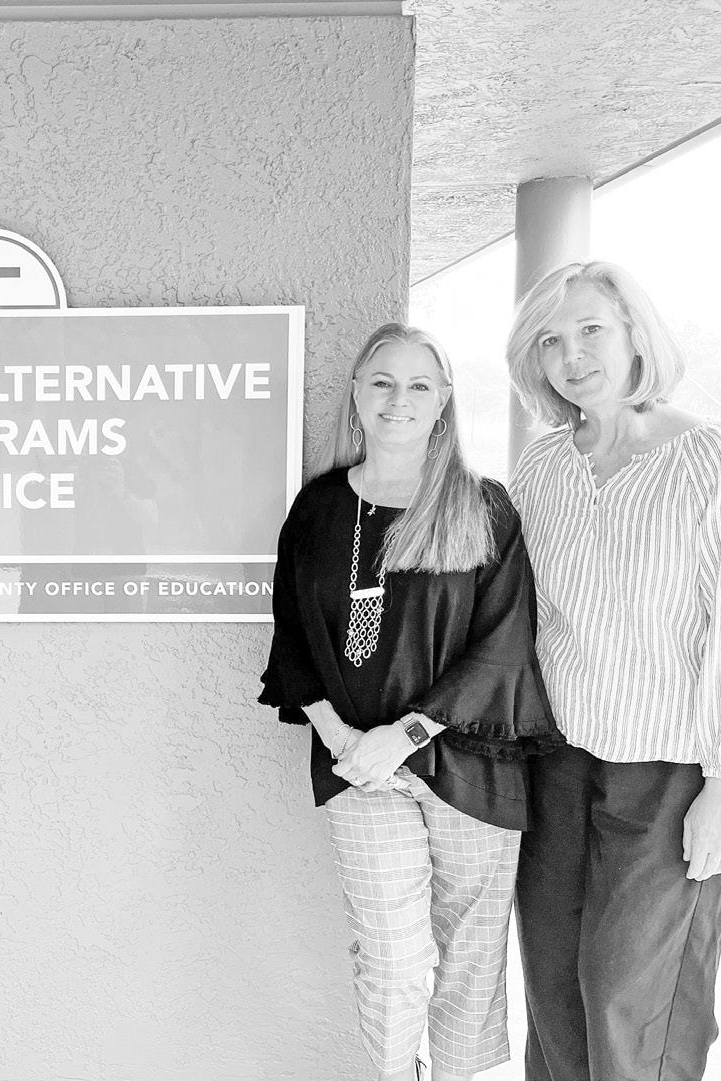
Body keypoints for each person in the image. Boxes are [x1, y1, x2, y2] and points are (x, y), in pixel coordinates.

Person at [506, 261, 721, 1081]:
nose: (571, 355)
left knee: (629, 1001)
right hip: (554, 766)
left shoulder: (711, 457)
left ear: (634, 333)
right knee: (552, 991)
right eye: (549, 340)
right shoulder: (539, 469)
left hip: (667, 774)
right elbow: (520, 622)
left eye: (590, 328)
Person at [260, 323, 559, 1081]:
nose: (399, 399)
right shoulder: (319, 509)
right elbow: (291, 636)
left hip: (471, 763)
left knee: (469, 957)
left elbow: (503, 641)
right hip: (360, 767)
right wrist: (340, 737)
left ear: (443, 398)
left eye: (419, 384)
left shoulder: (481, 506)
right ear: (357, 392)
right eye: (382, 381)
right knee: (392, 956)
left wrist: (407, 732)